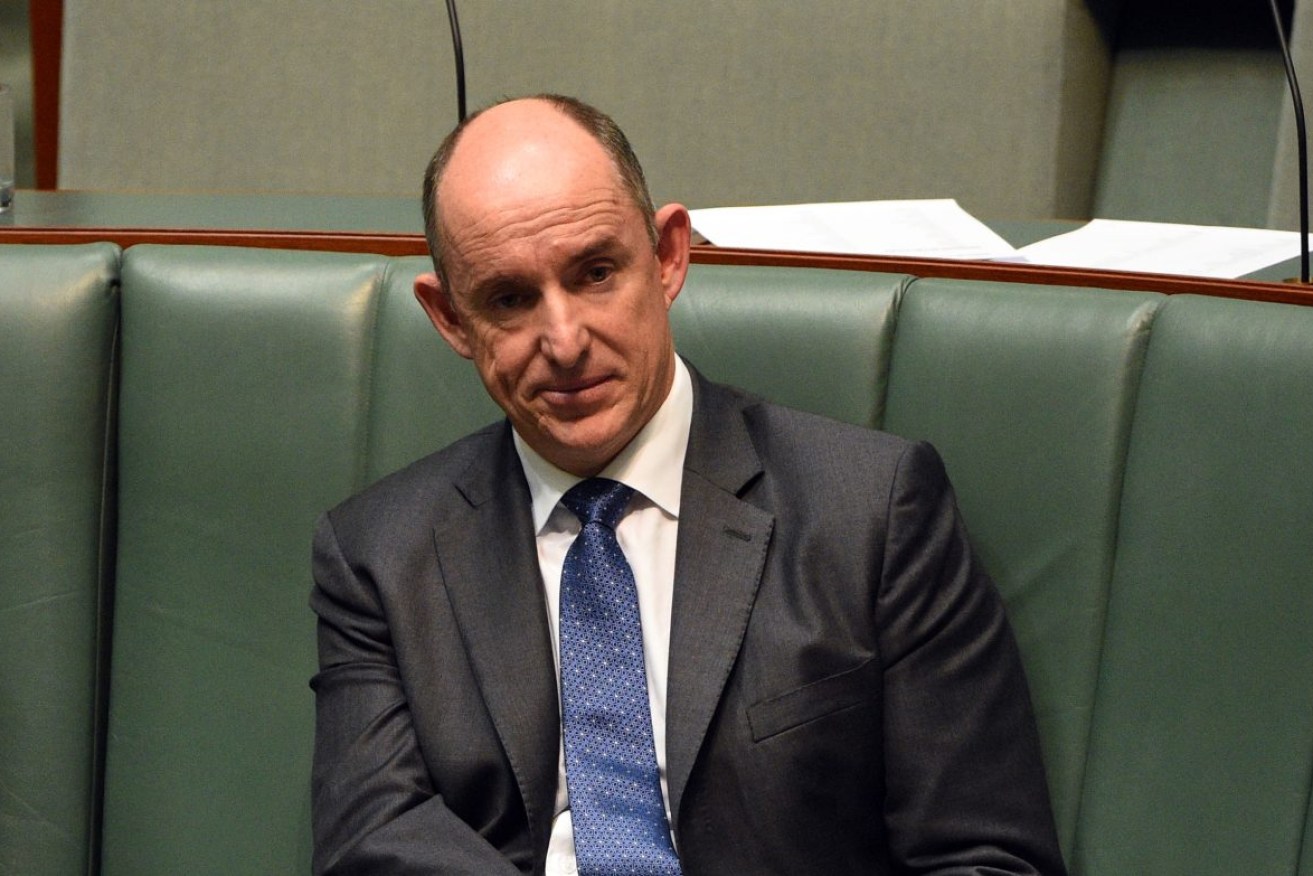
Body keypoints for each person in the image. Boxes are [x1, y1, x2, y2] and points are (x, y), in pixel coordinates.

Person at [310, 93, 1067, 875]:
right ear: (451, 321)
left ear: (668, 255)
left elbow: (987, 857)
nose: (564, 341)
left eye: (596, 273)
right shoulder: (379, 555)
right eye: (509, 299)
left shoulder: (872, 512)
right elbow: (372, 839)